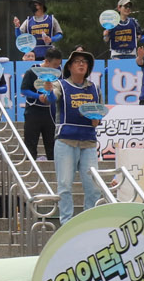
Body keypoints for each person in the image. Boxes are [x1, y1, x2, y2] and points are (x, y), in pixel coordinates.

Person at [43, 48, 105, 223]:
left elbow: (98, 115)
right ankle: (66, 223)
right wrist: (47, 90)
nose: (81, 64)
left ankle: (89, 222)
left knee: (93, 188)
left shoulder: (94, 88)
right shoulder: (60, 85)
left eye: (84, 62)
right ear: (69, 66)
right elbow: (50, 98)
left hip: (89, 142)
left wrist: (96, 120)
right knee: (64, 185)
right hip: (66, 141)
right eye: (77, 61)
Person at [18, 50, 60, 162]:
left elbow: (54, 96)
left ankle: (54, 169)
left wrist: (50, 93)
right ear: (46, 61)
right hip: (33, 111)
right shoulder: (32, 71)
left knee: (51, 142)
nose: (56, 68)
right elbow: (24, 89)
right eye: (55, 65)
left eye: (58, 65)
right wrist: (37, 96)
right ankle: (30, 166)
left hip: (50, 113)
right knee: (31, 142)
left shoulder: (57, 73)